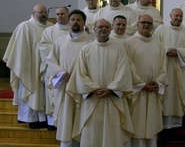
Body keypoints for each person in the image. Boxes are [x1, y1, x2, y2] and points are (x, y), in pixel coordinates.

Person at [66, 19, 134, 147]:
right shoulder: (86, 49)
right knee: (92, 133)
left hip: (112, 99)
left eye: (106, 27)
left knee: (112, 132)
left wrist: (111, 89)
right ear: (94, 30)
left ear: (110, 29)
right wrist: (94, 89)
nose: (103, 29)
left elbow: (123, 72)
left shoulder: (119, 48)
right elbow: (80, 73)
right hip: (92, 98)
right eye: (100, 27)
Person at [46, 9, 93, 147]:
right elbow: (51, 61)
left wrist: (82, 78)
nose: (75, 22)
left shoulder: (91, 41)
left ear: (84, 22)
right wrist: (60, 73)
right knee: (66, 117)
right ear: (69, 22)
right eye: (72, 19)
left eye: (78, 19)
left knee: (82, 118)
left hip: (83, 88)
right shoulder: (60, 41)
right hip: (65, 85)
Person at [2, 4, 53, 129]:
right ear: (33, 13)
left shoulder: (51, 27)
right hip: (30, 67)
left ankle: (45, 119)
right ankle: (32, 119)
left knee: (45, 94)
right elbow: (19, 50)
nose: (44, 15)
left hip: (47, 68)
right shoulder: (24, 27)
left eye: (45, 12)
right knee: (33, 91)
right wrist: (25, 64)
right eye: (41, 12)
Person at [123, 15, 167, 147]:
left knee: (152, 124)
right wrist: (141, 85)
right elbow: (127, 66)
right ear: (137, 25)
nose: (146, 25)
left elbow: (163, 66)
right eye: (143, 23)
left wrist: (158, 82)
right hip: (137, 92)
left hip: (153, 91)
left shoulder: (158, 44)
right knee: (137, 124)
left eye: (149, 23)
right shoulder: (129, 43)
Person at [154, 8, 185, 128]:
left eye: (180, 16)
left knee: (178, 93)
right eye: (176, 16)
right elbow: (155, 46)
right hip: (164, 67)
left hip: (179, 67)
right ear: (170, 16)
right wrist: (166, 51)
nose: (178, 18)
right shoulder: (161, 29)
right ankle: (163, 123)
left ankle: (176, 123)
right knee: (166, 95)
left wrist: (178, 52)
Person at [38, 6, 71, 129]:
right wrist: (58, 68)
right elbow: (43, 48)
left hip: (70, 70)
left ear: (67, 15)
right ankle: (53, 122)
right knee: (53, 95)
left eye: (62, 14)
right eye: (57, 14)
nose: (59, 16)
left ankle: (67, 122)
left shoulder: (74, 30)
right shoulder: (49, 31)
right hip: (54, 70)